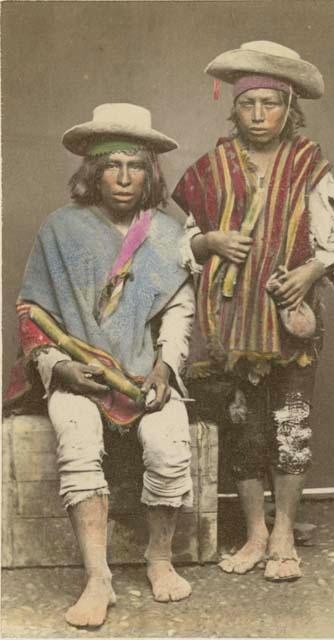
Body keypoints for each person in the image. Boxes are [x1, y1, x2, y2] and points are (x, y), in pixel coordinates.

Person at [172, 41, 334, 582]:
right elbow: (179, 245)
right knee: (244, 429)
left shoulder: (310, 166)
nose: (259, 116)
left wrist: (311, 270)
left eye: (270, 104)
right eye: (249, 104)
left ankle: (284, 534)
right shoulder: (210, 168)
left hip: (289, 325)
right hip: (228, 326)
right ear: (233, 107)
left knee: (291, 427)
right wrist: (210, 242)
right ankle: (256, 532)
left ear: (289, 109)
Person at [5, 103, 196, 626]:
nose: (124, 177)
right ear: (93, 170)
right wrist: (58, 369)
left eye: (136, 166)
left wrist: (164, 369)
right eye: (113, 165)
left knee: (170, 441)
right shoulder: (60, 229)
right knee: (78, 437)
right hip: (78, 371)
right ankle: (98, 576)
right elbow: (33, 312)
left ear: (150, 173)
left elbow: (178, 312)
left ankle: (159, 558)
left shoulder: (166, 232)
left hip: (143, 375)